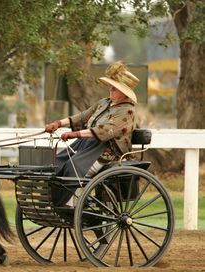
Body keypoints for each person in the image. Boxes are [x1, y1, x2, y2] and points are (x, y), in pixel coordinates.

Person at [44, 61, 140, 207]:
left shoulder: (127, 111)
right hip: (87, 145)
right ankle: (57, 201)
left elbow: (105, 131)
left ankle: (69, 205)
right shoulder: (104, 103)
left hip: (107, 152)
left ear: (124, 92)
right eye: (111, 87)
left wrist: (75, 134)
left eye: (114, 88)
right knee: (58, 161)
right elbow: (82, 117)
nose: (110, 90)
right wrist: (58, 123)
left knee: (74, 166)